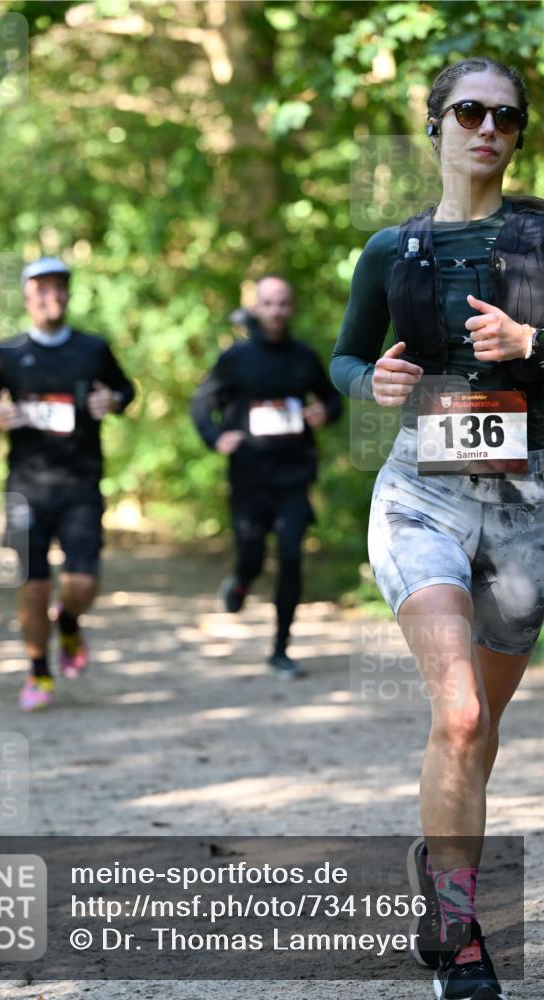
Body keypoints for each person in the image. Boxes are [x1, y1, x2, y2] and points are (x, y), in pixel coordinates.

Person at [331, 57, 543, 1000]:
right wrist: (367, 383)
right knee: (457, 713)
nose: (486, 128)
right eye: (467, 112)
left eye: (505, 116)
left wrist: (533, 345)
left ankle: (438, 861)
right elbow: (344, 357)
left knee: (478, 731)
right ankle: (459, 936)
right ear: (435, 125)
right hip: (421, 491)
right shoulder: (391, 249)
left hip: (526, 506)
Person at [0, 256, 134, 711]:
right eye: (42, 289)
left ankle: (68, 622)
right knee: (35, 586)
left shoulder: (92, 349)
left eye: (59, 287)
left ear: (68, 294)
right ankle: (39, 671)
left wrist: (113, 399)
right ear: (27, 297)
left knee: (81, 584)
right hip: (26, 486)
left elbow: (126, 390)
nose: (52, 296)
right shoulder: (7, 354)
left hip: (80, 483)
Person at [191, 276, 343, 678]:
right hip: (249, 478)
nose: (276, 311)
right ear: (256, 308)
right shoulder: (236, 358)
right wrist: (215, 437)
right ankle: (241, 580)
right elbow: (201, 405)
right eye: (268, 303)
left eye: (282, 303)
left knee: (291, 556)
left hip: (294, 476)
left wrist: (324, 412)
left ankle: (280, 649)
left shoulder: (303, 358)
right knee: (252, 555)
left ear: (292, 308)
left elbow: (331, 400)